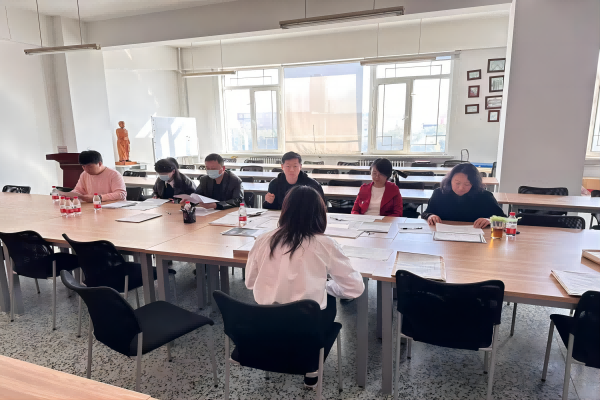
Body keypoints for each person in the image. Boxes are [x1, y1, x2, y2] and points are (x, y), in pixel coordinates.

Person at [246, 185, 364, 388]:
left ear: (285, 210)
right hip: (308, 326)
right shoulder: (325, 244)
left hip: (267, 322)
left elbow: (250, 282)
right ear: (319, 214)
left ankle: (277, 354)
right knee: (325, 297)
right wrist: (326, 287)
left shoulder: (263, 240)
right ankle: (310, 367)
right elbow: (355, 288)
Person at [421, 163, 505, 228]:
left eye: (467, 184)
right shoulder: (439, 193)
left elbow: (504, 219)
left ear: (474, 184)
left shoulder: (485, 196)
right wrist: (430, 216)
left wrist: (490, 220)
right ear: (450, 180)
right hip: (444, 238)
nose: (461, 188)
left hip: (476, 240)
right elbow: (426, 213)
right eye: (457, 183)